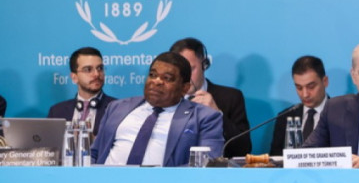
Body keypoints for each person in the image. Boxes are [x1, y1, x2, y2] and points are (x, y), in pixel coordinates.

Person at [91, 52, 224, 166]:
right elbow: (94, 153)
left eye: (167, 78)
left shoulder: (204, 117)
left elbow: (207, 163)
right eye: (152, 75)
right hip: (107, 181)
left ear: (185, 88)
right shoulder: (117, 107)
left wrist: (161, 179)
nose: (156, 81)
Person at [169, 37, 251, 157]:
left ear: (204, 64)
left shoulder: (230, 97)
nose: (184, 77)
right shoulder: (166, 100)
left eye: (190, 69)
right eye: (179, 71)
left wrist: (217, 114)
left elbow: (243, 149)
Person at [47, 47, 116, 136]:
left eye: (100, 68)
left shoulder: (117, 108)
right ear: (74, 77)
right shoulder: (57, 111)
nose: (96, 74)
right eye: (88, 69)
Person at [270, 55, 330, 155]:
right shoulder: (285, 117)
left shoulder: (340, 115)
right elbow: (276, 157)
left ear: (325, 82)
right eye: (299, 88)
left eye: (311, 87)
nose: (305, 94)